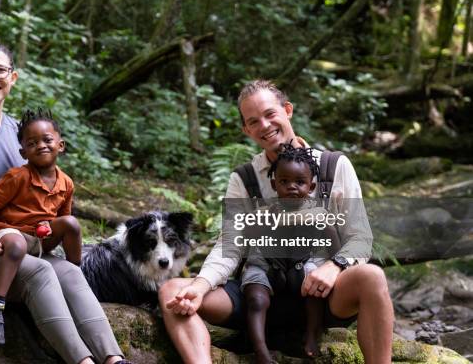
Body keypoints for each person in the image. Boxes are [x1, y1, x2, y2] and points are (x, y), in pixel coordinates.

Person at [0, 41, 131, 364]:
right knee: (39, 273)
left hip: (18, 244)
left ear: (12, 78)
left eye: (0, 70)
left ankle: (113, 359)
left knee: (72, 274)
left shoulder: (22, 134)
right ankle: (82, 361)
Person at [159, 80, 394, 364]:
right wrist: (199, 286)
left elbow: (360, 237)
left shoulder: (334, 166)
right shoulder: (244, 180)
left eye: (270, 114)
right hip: (259, 295)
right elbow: (230, 246)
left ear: (287, 110)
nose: (265, 125)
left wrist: (335, 266)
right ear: (246, 130)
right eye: (253, 121)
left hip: (321, 296)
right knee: (173, 291)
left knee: (372, 276)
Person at [0, 108, 83, 346]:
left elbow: (62, 219)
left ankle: (76, 273)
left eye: (47, 140)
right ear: (23, 151)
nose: (41, 146)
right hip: (12, 232)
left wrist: (52, 227)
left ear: (61, 145)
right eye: (33, 143)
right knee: (15, 245)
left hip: (41, 238)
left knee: (71, 223)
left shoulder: (66, 183)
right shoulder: (18, 177)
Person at [242, 143, 340, 362]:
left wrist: (336, 265)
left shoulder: (318, 215)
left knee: (314, 284)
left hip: (302, 264)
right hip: (265, 264)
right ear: (274, 184)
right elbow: (246, 240)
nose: (292, 187)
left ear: (311, 186)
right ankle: (260, 350)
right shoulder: (263, 213)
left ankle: (312, 334)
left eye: (300, 182)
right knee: (256, 299)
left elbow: (335, 248)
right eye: (284, 182)